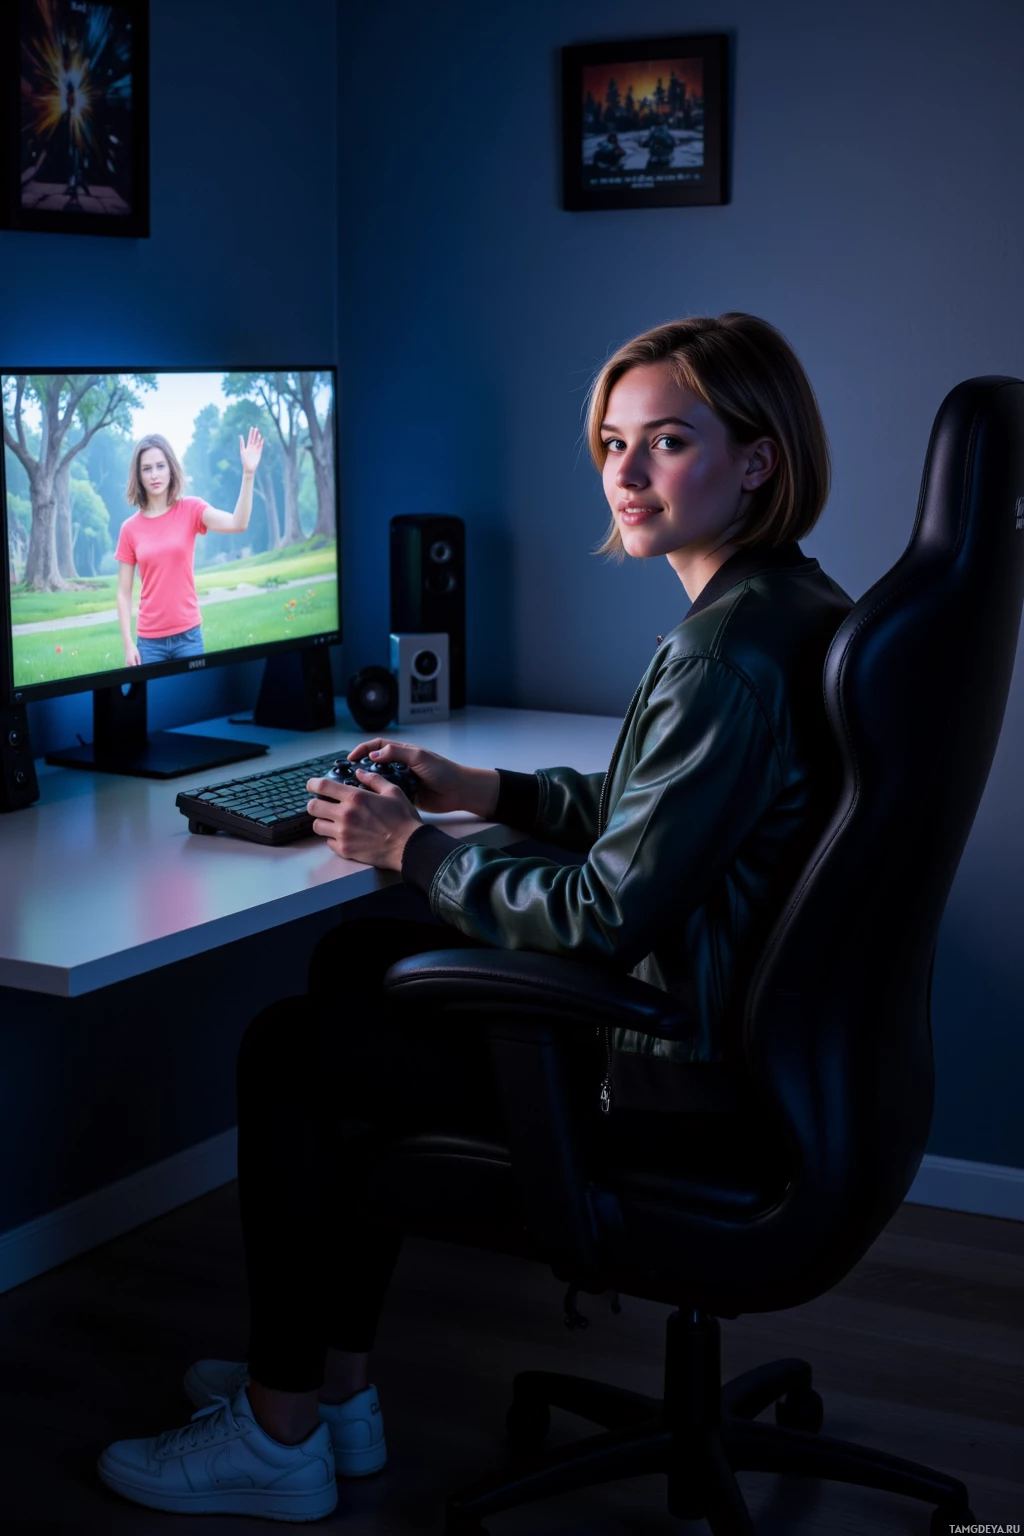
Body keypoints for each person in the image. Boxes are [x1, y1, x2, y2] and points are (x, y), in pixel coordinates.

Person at [97, 313, 854, 1520]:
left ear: (757, 460)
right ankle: (334, 1388)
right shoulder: (784, 606)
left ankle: (278, 1433)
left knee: (291, 1052)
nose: (625, 473)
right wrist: (481, 791)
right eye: (612, 443)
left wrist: (412, 846)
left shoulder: (724, 656)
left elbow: (604, 913)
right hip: (741, 1037)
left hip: (670, 1070)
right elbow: (653, 813)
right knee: (356, 957)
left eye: (667, 442)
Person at [114, 428, 264, 667]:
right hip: (149, 644)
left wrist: (248, 474)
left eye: (160, 466)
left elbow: (238, 523)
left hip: (188, 638)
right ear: (138, 475)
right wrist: (128, 644)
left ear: (171, 469)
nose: (154, 475)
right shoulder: (129, 529)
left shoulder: (191, 509)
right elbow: (123, 592)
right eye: (147, 468)